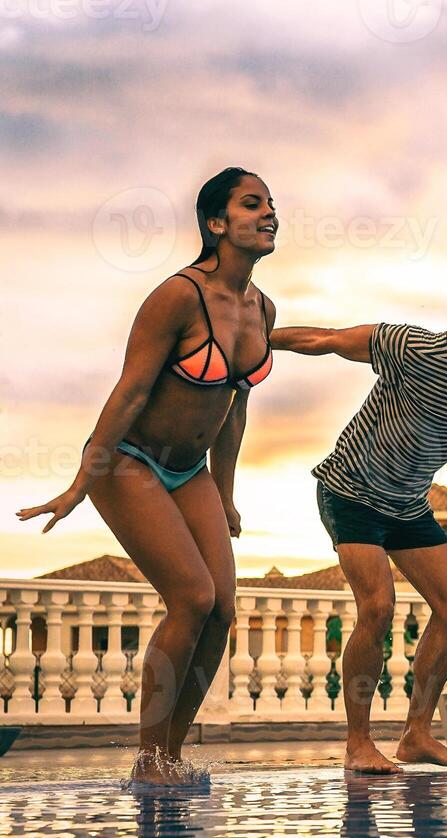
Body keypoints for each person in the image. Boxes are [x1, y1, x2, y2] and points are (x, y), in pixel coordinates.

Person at [18, 167, 277, 786]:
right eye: (252, 204)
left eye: (271, 204)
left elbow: (234, 407)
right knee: (191, 597)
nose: (269, 213)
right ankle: (148, 756)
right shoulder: (177, 297)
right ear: (216, 224)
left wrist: (228, 492)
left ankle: (173, 752)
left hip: (192, 471)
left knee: (221, 610)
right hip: (128, 459)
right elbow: (132, 389)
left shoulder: (261, 308)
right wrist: (83, 479)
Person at [269, 270, 447, 774]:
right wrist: (248, 341)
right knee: (378, 605)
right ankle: (358, 744)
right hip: (350, 489)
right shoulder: (412, 347)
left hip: (408, 501)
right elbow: (326, 340)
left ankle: (417, 735)